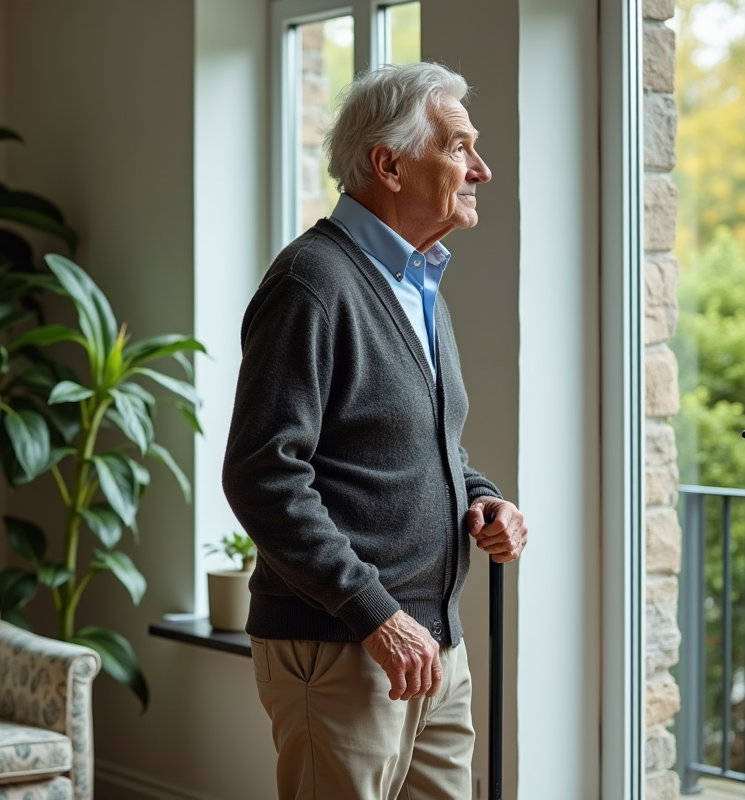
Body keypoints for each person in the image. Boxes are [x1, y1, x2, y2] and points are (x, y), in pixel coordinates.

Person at [221, 61, 530, 800]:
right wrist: (376, 616)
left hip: (431, 644)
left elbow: (424, 443)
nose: (481, 169)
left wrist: (484, 498)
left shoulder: (419, 285)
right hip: (346, 642)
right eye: (458, 147)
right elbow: (263, 474)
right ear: (389, 164)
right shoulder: (313, 284)